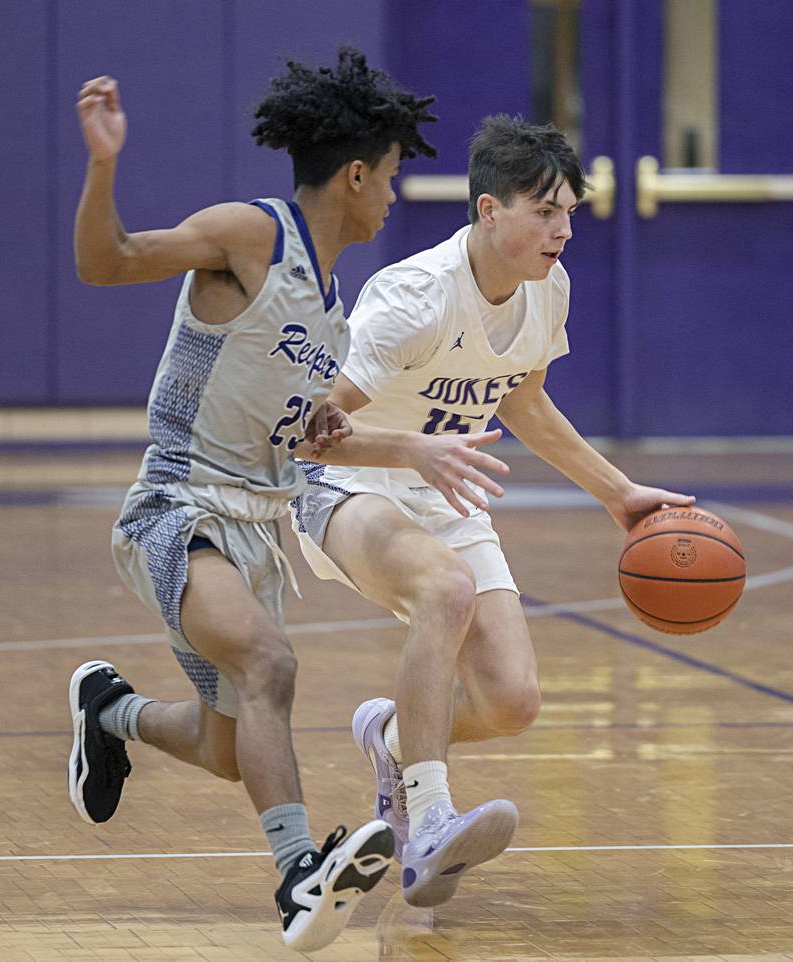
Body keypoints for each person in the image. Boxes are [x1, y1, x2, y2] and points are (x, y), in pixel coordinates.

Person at [67, 50, 509, 953]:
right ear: (354, 174)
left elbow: (312, 436)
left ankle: (108, 714)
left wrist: (415, 447)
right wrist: (105, 162)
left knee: (230, 748)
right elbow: (107, 263)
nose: (392, 195)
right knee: (270, 663)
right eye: (389, 176)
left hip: (257, 522)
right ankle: (300, 876)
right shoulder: (249, 235)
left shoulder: (332, 309)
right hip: (177, 506)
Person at [290, 115, 697, 908]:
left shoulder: (549, 288)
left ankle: (393, 737)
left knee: (512, 702)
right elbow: (308, 434)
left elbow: (525, 399)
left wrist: (618, 493)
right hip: (351, 487)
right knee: (444, 591)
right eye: (545, 212)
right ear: (488, 210)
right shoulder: (414, 297)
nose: (563, 230)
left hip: (445, 490)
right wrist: (411, 451)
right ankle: (429, 821)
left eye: (570, 212)